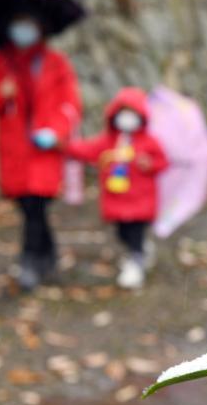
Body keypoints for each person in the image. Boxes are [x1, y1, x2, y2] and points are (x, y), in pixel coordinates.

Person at [0, 13, 82, 290]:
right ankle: (48, 255)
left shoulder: (55, 63)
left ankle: (29, 261)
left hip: (43, 148)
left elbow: (70, 104)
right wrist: (3, 93)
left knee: (36, 204)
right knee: (28, 207)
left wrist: (55, 132)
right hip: (14, 149)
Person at [65, 87, 169, 289]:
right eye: (123, 112)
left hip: (141, 201)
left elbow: (162, 162)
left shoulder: (149, 142)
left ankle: (136, 263)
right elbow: (87, 149)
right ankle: (139, 251)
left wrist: (150, 164)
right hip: (117, 200)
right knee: (122, 233)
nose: (127, 118)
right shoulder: (109, 142)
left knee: (135, 233)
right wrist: (64, 146)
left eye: (132, 112)